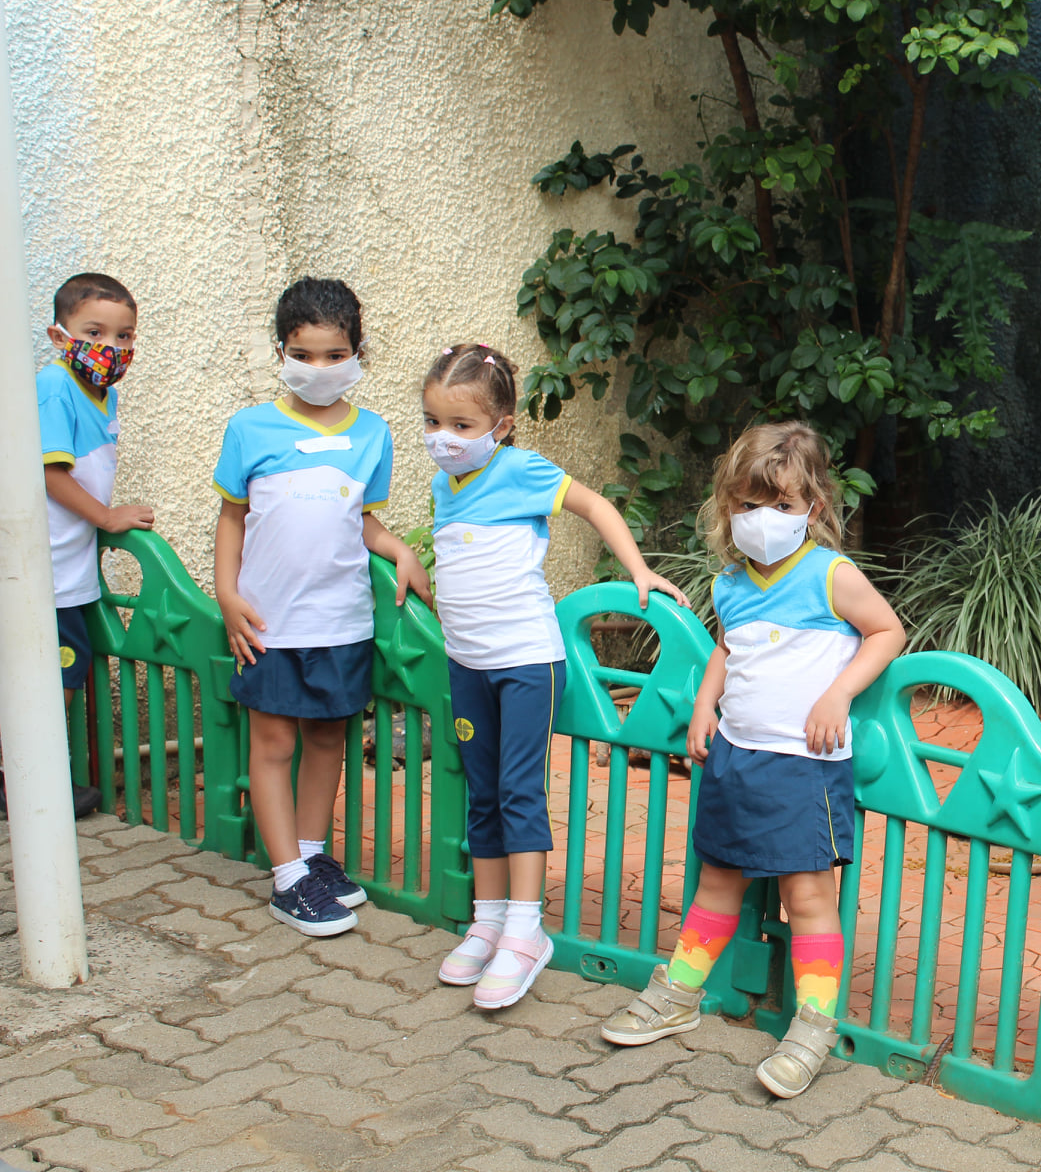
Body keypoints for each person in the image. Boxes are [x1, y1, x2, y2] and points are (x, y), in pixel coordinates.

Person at [599, 421, 905, 1099]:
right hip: (736, 758)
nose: (763, 519)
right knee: (717, 881)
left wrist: (838, 694)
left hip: (805, 765)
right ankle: (679, 992)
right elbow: (728, 649)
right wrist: (706, 703)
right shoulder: (732, 582)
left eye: (783, 506)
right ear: (726, 504)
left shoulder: (832, 574)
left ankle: (814, 1024)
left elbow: (887, 631)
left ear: (815, 507)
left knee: (808, 897)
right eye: (747, 504)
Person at [422, 343, 688, 1010]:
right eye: (432, 423)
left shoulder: (520, 471)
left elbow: (595, 507)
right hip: (466, 661)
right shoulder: (440, 484)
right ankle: (486, 921)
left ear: (502, 424)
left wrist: (637, 570)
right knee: (482, 790)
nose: (444, 440)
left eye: (461, 426)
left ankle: (524, 929)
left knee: (517, 791)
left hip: (522, 662)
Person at [213, 278, 431, 938]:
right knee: (275, 742)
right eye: (304, 354)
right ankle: (286, 880)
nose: (319, 368)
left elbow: (360, 522)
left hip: (341, 621)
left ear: (358, 352)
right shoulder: (249, 428)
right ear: (282, 350)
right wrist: (227, 595)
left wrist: (400, 550)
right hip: (269, 621)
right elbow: (231, 518)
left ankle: (310, 856)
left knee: (330, 736)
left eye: (335, 354)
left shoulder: (373, 434)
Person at [1, 274, 157, 822]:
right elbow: (53, 474)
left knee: (61, 670)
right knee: (53, 673)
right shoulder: (54, 384)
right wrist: (106, 517)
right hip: (43, 569)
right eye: (95, 332)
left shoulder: (103, 391)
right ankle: (28, 784)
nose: (110, 348)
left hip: (67, 564)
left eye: (123, 336)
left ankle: (28, 779)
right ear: (58, 333)